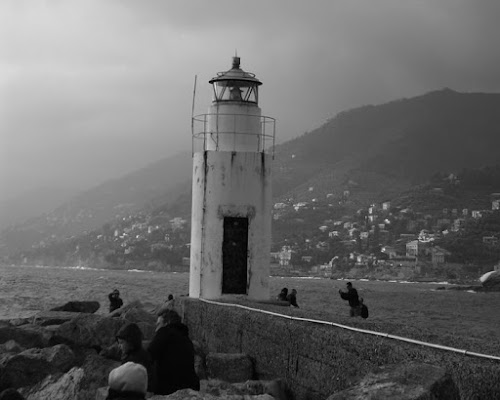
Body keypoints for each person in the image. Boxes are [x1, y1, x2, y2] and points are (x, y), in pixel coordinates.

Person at [147, 309, 200, 395]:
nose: (156, 330)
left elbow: (148, 356)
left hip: (168, 389)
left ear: (167, 323)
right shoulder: (187, 339)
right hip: (190, 387)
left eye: (158, 324)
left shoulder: (164, 332)